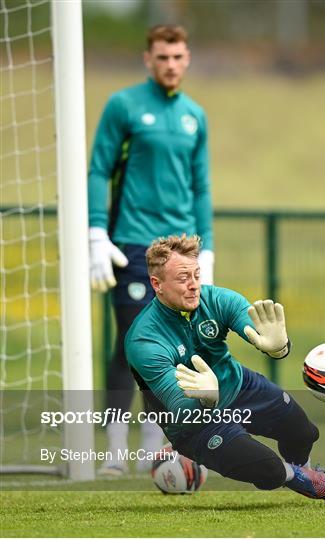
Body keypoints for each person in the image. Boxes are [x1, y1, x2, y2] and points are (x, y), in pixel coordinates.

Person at [125, 235, 325, 501]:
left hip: (240, 387)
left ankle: (303, 469)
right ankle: (293, 476)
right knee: (269, 471)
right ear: (157, 284)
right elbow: (178, 404)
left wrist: (278, 347)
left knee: (304, 432)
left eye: (196, 275)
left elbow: (249, 321)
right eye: (183, 278)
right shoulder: (144, 340)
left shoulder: (216, 299)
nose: (193, 285)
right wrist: (207, 400)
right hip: (194, 424)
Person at [88, 25, 214, 475]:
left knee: (176, 349)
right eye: (163, 57)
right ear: (148, 59)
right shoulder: (123, 106)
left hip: (183, 249)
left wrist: (208, 251)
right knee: (129, 343)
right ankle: (115, 449)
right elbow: (98, 169)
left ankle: (155, 446)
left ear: (187, 58)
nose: (171, 64)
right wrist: (96, 233)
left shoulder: (195, 116)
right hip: (136, 244)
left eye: (178, 56)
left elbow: (200, 187)